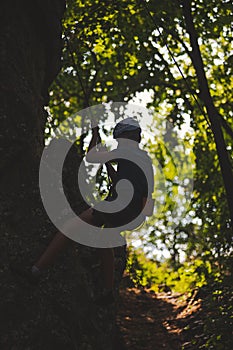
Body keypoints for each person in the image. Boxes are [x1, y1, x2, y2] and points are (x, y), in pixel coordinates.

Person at [13, 117, 154, 305]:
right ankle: (107, 291)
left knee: (70, 227)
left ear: (125, 137)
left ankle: (35, 271)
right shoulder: (144, 159)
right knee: (104, 241)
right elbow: (132, 184)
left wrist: (95, 133)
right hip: (133, 211)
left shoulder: (124, 152)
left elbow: (91, 157)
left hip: (117, 205)